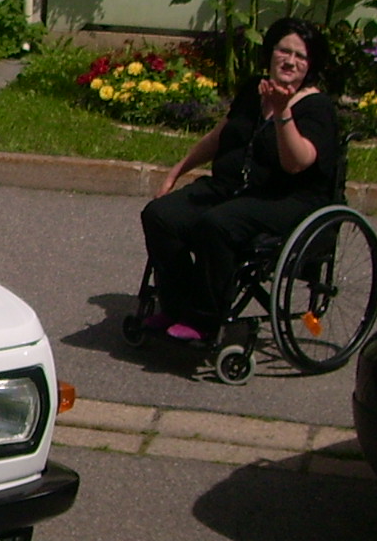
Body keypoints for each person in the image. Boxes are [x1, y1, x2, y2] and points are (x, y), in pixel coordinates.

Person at [139, 18, 339, 343]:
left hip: (286, 198)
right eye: (284, 51)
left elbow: (296, 163)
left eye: (300, 56)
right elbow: (220, 136)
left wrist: (282, 112)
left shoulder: (316, 107)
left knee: (218, 224)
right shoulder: (254, 89)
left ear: (310, 64)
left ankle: (204, 318)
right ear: (270, 52)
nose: (290, 61)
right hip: (233, 188)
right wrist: (178, 170)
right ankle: (176, 305)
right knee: (160, 215)